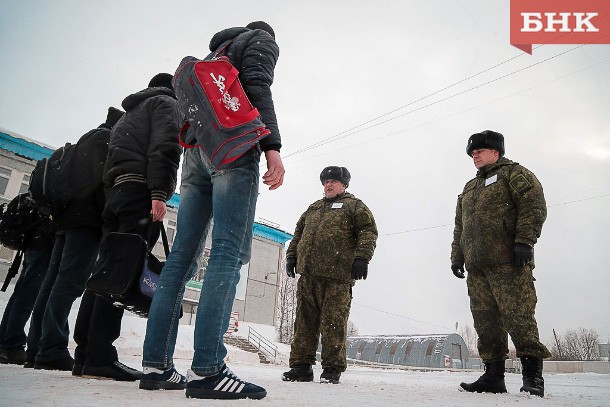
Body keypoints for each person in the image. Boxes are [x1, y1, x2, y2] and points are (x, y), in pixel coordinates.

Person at [140, 21, 284, 400]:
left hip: (195, 155)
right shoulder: (260, 41)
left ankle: (155, 365)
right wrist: (273, 146)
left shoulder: (212, 54)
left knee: (180, 260)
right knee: (227, 253)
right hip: (233, 150)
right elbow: (257, 88)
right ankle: (208, 370)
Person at [73, 73, 182, 381]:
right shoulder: (166, 103)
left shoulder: (128, 115)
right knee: (120, 276)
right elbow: (165, 147)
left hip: (116, 194)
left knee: (104, 272)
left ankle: (85, 356)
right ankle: (99, 357)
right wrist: (159, 192)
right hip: (139, 194)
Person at [450, 130, 550, 397]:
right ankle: (493, 377)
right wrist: (457, 256)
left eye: (480, 151)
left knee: (519, 317)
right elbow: (461, 226)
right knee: (486, 322)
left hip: (509, 262)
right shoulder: (470, 188)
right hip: (477, 266)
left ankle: (533, 378)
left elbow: (533, 205)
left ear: (496, 152)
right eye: (472, 153)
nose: (475, 156)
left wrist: (524, 242)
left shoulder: (514, 174)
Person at [24, 107, 124, 371]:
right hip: (85, 222)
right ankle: (52, 349)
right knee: (67, 285)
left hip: (64, 220)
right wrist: (108, 218)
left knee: (52, 282)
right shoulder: (105, 140)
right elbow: (102, 183)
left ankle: (36, 348)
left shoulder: (85, 138)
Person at [282, 166, 378, 384]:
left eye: (334, 181)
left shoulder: (354, 206)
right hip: (308, 276)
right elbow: (299, 234)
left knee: (333, 323)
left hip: (337, 277)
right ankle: (301, 366)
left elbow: (368, 231)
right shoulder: (313, 209)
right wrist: (291, 257)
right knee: (304, 323)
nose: (329, 184)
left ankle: (332, 369)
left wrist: (362, 258)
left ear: (344, 184)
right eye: (325, 181)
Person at [0, 201, 52, 365]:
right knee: (26, 297)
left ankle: (5, 342)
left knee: (20, 295)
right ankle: (12, 345)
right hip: (43, 244)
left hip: (34, 241)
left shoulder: (43, 178)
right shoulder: (62, 180)